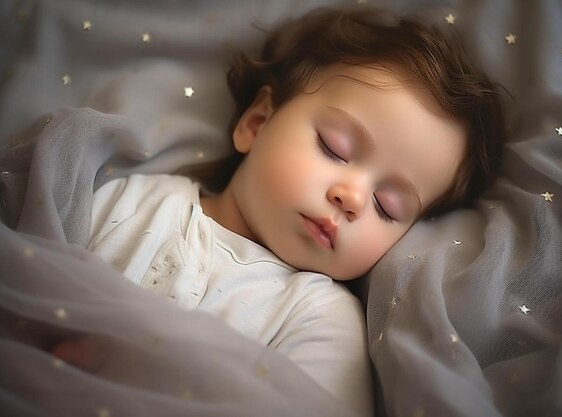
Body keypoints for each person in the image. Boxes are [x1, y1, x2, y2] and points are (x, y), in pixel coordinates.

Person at [51, 6, 504, 416]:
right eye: (335, 148)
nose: (353, 198)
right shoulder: (135, 201)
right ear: (257, 123)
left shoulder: (318, 315)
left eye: (388, 208)